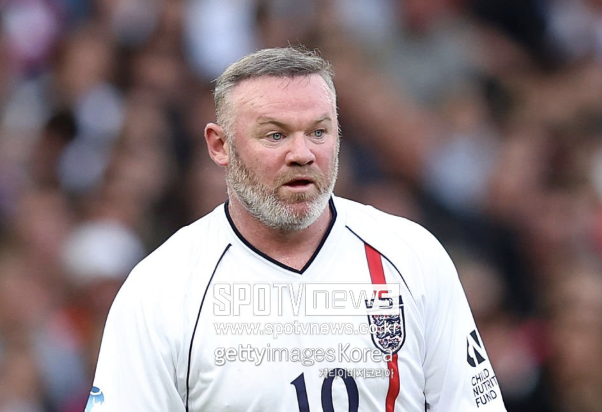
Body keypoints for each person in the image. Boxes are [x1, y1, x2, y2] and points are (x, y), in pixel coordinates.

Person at [86, 46, 507, 412]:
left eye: (318, 132)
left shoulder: (413, 257)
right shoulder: (160, 289)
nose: (302, 154)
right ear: (220, 145)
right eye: (275, 135)